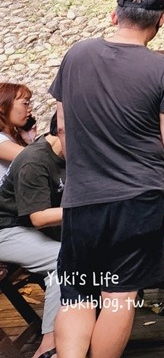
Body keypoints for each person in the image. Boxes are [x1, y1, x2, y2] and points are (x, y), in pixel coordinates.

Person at [49, 0, 164, 358]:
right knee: (118, 294)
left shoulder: (76, 56)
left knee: (77, 291)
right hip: (138, 201)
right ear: (160, 21)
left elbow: (63, 128)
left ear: (115, 14)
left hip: (81, 199)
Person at [0, 111, 66, 358]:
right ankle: (48, 346)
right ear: (62, 131)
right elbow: (38, 218)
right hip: (6, 230)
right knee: (64, 259)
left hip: (26, 228)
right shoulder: (34, 160)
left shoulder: (65, 154)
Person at [0, 82, 33, 186]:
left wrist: (28, 139)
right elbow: (35, 158)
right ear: (3, 106)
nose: (29, 109)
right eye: (25, 103)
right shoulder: (1, 141)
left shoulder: (13, 138)